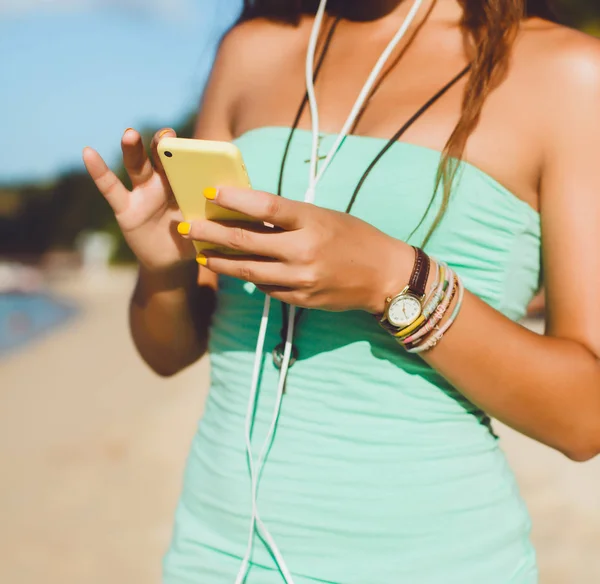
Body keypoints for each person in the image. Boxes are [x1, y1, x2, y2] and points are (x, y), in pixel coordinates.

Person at [83, 0, 600, 582]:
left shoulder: (569, 74)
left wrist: (391, 279)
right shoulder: (252, 48)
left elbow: (584, 419)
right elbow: (167, 353)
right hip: (214, 555)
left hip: (431, 560)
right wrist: (164, 270)